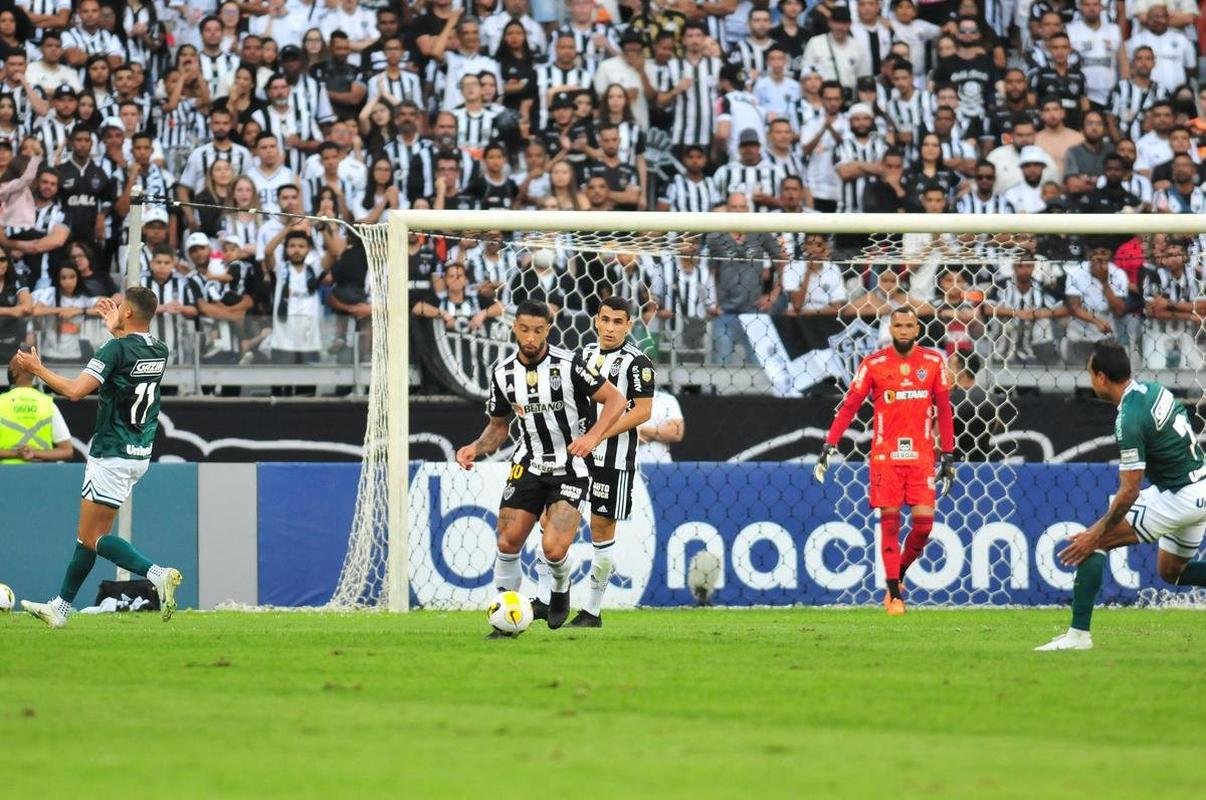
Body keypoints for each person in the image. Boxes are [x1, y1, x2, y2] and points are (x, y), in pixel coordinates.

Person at [455, 300, 625, 635]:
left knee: (553, 548)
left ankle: (560, 590)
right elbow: (499, 427)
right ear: (514, 328)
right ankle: (505, 620)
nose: (530, 337)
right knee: (507, 542)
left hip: (570, 466)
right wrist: (475, 448)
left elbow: (616, 400)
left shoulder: (570, 365)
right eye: (524, 329)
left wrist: (592, 437)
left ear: (548, 329)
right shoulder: (503, 373)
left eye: (538, 330)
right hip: (528, 464)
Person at [14, 290, 182, 628]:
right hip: (139, 452)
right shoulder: (160, 350)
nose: (115, 309)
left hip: (111, 451)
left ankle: (157, 574)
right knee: (87, 536)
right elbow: (129, 355)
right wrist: (116, 329)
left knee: (92, 537)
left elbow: (75, 391)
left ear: (129, 311)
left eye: (120, 306)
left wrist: (37, 368)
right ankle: (60, 608)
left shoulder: (114, 349)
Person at [1036, 339, 1206, 651]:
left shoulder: (1128, 417)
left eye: (1090, 374)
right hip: (1200, 488)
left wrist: (1098, 532)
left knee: (1093, 543)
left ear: (1101, 378)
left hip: (1181, 496)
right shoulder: (1152, 390)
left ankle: (1077, 637)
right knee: (1172, 571)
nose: (1090, 380)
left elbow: (1130, 491)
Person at [814, 306, 956, 615]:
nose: (903, 330)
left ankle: (899, 574)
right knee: (889, 525)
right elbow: (850, 405)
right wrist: (830, 443)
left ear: (917, 330)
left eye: (909, 325)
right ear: (890, 330)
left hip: (921, 457)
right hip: (885, 457)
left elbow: (944, 410)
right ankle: (895, 596)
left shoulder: (934, 362)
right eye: (898, 326)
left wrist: (948, 452)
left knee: (923, 526)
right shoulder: (873, 363)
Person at [532, 296, 654, 628]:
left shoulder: (637, 362)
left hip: (612, 460)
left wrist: (598, 436)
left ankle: (593, 611)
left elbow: (643, 411)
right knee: (549, 522)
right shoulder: (582, 356)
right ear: (595, 321)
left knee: (601, 531)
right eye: (606, 320)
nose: (611, 327)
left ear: (629, 325)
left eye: (618, 322)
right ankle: (546, 598)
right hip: (573, 458)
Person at [0, 348, 73, 463]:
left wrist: (16, 454)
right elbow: (67, 451)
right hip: (41, 476)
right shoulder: (48, 404)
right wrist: (33, 453)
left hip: (5, 476)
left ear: (13, 371)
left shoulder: (1, 402)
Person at [637, 388, 685, 463]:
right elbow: (616, 436)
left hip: (661, 465)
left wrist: (636, 428)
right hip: (624, 466)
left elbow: (676, 432)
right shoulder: (617, 398)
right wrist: (659, 434)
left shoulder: (666, 399)